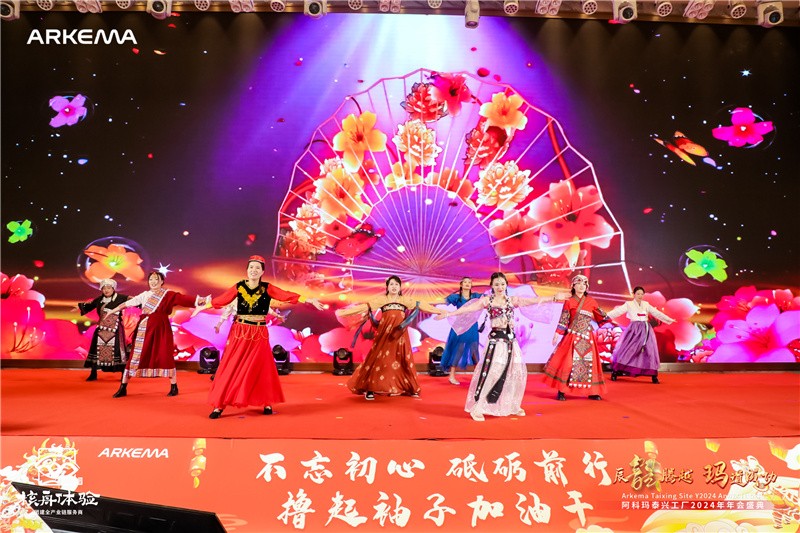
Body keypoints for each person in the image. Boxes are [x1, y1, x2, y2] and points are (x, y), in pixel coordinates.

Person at [206, 256, 324, 419]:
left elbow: (285, 295)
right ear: (247, 270)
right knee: (232, 364)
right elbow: (221, 300)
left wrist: (308, 299)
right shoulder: (239, 287)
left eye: (257, 268)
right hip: (240, 331)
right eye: (251, 267)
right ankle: (219, 405)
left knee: (261, 366)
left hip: (259, 333)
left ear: (262, 272)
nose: (253, 270)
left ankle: (266, 401)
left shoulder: (267, 288)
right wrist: (201, 306)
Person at [441, 272, 561, 421]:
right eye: (496, 284)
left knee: (515, 372)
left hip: (511, 342)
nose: (500, 287)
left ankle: (512, 405)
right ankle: (478, 407)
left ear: (506, 285)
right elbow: (468, 309)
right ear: (492, 285)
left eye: (502, 284)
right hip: (496, 342)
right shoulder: (487, 301)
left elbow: (534, 301)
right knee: (492, 373)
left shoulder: (512, 300)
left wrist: (554, 298)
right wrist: (448, 314)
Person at [336, 275, 444, 400]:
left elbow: (423, 306)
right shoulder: (382, 300)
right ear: (387, 287)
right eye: (391, 284)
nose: (394, 287)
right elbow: (364, 307)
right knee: (378, 359)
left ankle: (410, 388)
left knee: (403, 359)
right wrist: (343, 313)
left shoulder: (405, 300)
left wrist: (440, 312)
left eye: (396, 284)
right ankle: (370, 388)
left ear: (400, 287)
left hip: (400, 335)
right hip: (384, 334)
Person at [105, 271, 204, 398]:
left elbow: (183, 299)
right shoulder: (144, 295)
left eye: (156, 279)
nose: (153, 282)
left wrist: (199, 300)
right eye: (151, 279)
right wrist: (112, 311)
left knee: (164, 355)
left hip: (161, 329)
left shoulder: (168, 294)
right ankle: (123, 387)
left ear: (162, 281)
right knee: (135, 356)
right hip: (144, 329)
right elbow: (127, 304)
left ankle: (174, 386)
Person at [542, 274, 611, 401]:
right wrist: (557, 333)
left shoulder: (591, 301)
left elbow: (602, 316)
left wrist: (612, 321)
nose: (581, 286)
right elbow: (564, 319)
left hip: (587, 337)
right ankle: (562, 390)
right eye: (578, 283)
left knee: (589, 365)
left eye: (584, 284)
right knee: (568, 364)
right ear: (573, 286)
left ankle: (592, 391)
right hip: (572, 336)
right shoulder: (569, 301)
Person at [606, 286, 675, 384]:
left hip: (646, 330)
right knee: (628, 350)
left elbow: (656, 313)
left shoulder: (646, 304)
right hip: (634, 330)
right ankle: (616, 372)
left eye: (642, 294)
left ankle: (653, 375)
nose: (640, 296)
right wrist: (606, 316)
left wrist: (669, 319)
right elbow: (618, 311)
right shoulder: (629, 304)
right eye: (638, 294)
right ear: (633, 294)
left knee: (649, 351)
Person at [75, 279, 130, 381]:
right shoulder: (99, 299)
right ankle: (93, 373)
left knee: (117, 351)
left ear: (113, 289)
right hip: (101, 329)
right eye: (104, 288)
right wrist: (79, 306)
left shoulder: (121, 297)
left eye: (108, 288)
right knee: (96, 350)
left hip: (115, 329)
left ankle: (123, 374)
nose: (106, 290)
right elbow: (89, 305)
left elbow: (133, 300)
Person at [440, 277, 482, 385]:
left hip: (472, 326)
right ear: (461, 284)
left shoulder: (476, 296)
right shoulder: (456, 297)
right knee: (458, 349)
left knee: (474, 349)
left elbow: (489, 299)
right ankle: (452, 376)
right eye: (465, 282)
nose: (467, 284)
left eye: (469, 282)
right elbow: (442, 302)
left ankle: (478, 377)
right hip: (460, 326)